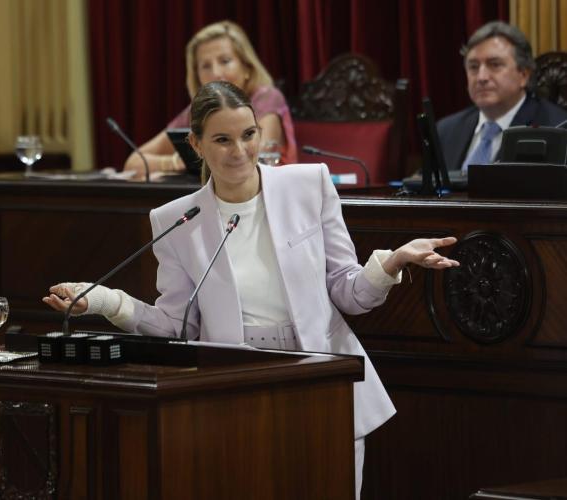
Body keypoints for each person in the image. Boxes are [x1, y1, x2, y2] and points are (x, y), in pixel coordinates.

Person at [45, 81, 459, 498]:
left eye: (248, 135)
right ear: (196, 144)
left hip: (325, 381)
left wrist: (392, 261)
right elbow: (175, 326)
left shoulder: (309, 184)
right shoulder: (176, 220)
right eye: (222, 140)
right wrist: (104, 301)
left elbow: (349, 293)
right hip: (237, 391)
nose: (240, 151)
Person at [124, 20, 298, 178]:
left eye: (225, 61)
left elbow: (253, 160)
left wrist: (192, 160)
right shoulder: (198, 109)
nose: (215, 73)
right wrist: (175, 162)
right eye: (206, 66)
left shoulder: (267, 98)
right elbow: (134, 162)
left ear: (247, 67)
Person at [438, 21, 567, 173]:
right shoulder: (446, 130)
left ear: (523, 75)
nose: (481, 77)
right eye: (473, 67)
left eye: (495, 65)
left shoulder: (557, 129)